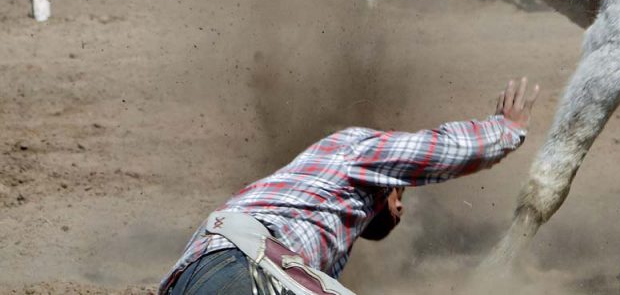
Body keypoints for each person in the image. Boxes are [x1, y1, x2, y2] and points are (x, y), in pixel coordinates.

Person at [160, 78, 541, 294]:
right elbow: (436, 151)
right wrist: (505, 129)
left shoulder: (304, 205)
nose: (401, 208)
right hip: (242, 268)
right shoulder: (354, 151)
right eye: (400, 192)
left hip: (195, 277)